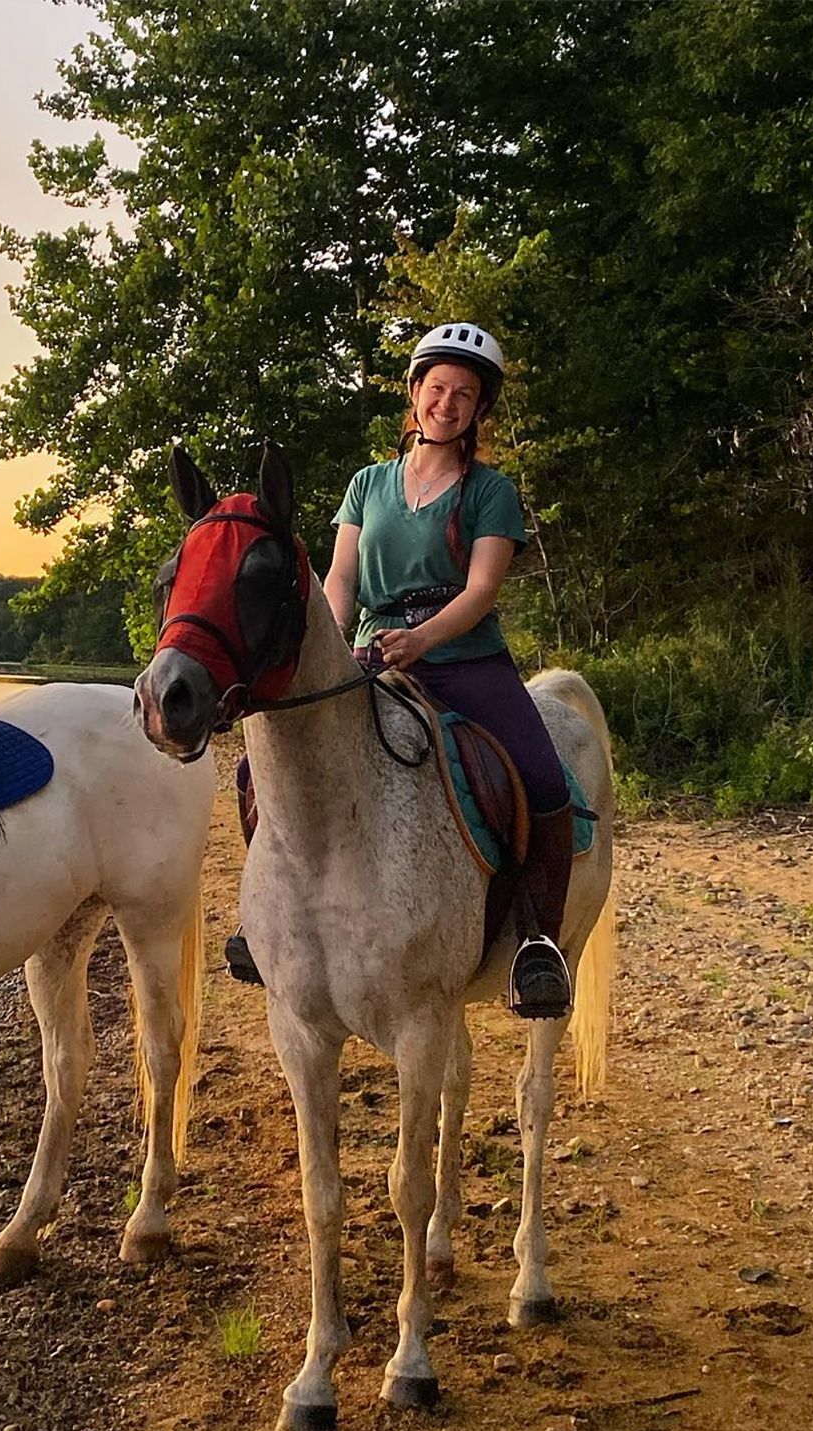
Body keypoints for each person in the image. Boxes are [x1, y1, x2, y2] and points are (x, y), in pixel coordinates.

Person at [230, 323, 574, 1018]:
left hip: (464, 655)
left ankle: (538, 941)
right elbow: (339, 579)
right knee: (252, 771)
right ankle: (270, 921)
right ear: (415, 394)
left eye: (465, 395)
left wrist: (421, 638)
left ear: (479, 411)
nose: (448, 403)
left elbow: (481, 591)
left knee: (543, 778)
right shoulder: (368, 484)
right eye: (438, 388)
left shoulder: (490, 491)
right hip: (369, 654)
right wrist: (324, 646)